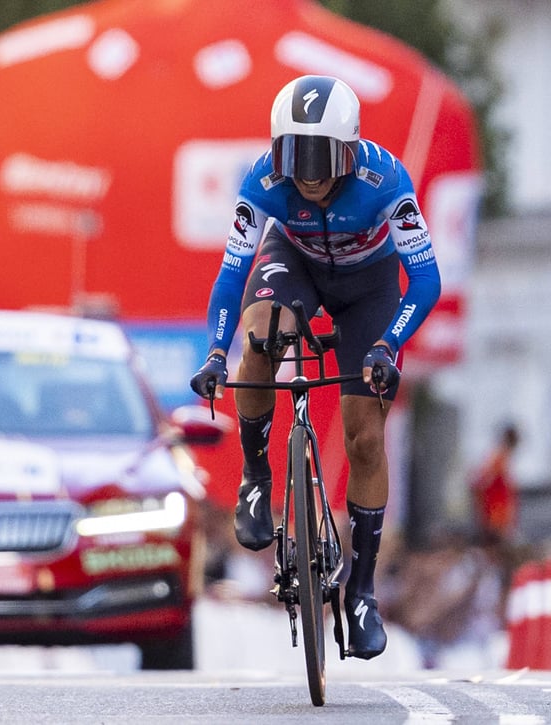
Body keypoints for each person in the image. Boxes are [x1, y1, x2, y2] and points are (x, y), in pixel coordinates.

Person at [189, 75, 441, 659]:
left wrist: (387, 345)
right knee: (264, 337)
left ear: (350, 152)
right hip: (295, 266)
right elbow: (231, 275)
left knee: (366, 439)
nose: (305, 171)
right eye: (292, 152)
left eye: (320, 155)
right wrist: (215, 353)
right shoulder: (263, 181)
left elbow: (425, 279)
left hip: (369, 288)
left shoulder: (388, 183)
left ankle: (362, 588)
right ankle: (258, 477)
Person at [469, 424, 520, 546]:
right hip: (495, 513)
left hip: (499, 514)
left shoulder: (502, 457)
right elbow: (480, 482)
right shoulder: (498, 458)